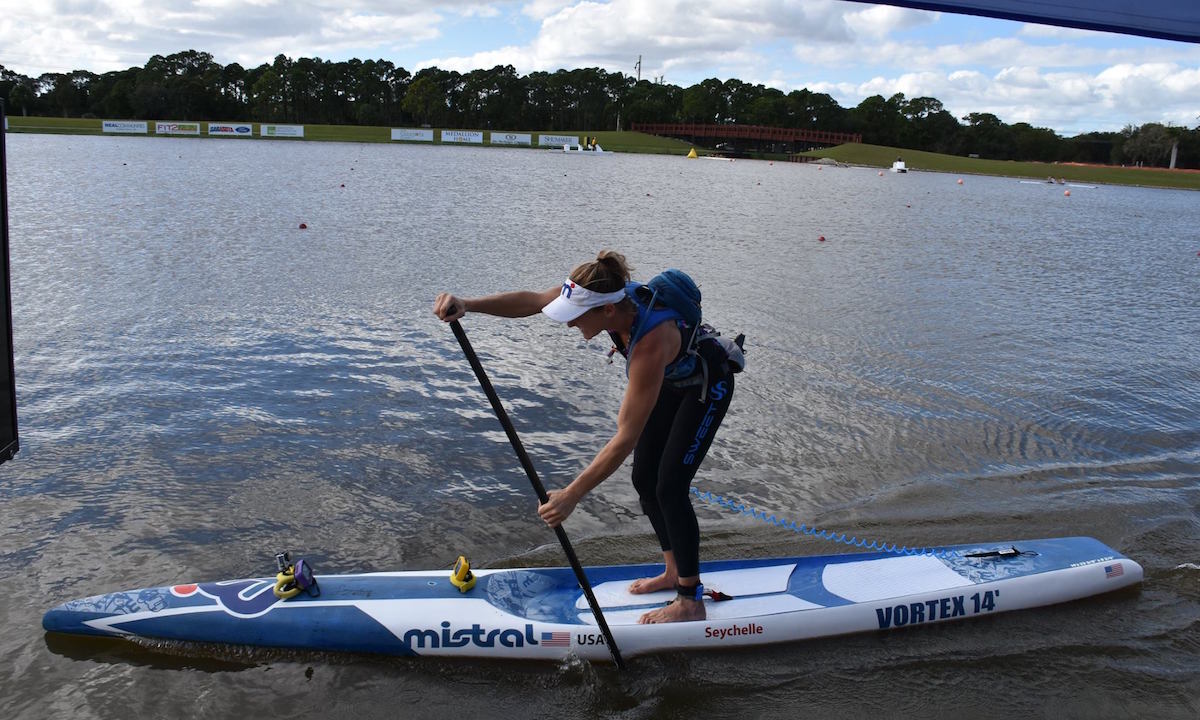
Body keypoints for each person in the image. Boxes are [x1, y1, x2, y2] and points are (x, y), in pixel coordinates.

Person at [432, 251, 737, 623]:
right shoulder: (604, 294)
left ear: (607, 312)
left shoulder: (649, 344)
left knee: (670, 485)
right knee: (645, 478)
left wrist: (571, 494)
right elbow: (531, 301)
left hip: (707, 385)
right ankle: (674, 572)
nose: (569, 324)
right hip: (670, 380)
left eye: (575, 319)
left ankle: (690, 600)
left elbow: (625, 437)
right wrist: (469, 305)